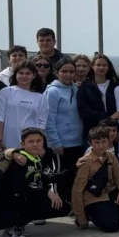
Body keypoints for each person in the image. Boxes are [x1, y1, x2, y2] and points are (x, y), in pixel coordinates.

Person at [0, 127, 71, 237]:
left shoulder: (36, 158)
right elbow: (20, 186)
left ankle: (21, 223)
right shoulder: (20, 159)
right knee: (36, 199)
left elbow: (46, 178)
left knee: (61, 206)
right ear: (22, 144)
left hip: (27, 195)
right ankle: (12, 228)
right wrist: (46, 192)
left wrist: (76, 168)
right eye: (31, 141)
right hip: (11, 199)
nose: (35, 144)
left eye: (39, 141)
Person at [70, 126, 119, 232]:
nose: (101, 145)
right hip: (94, 197)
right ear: (90, 143)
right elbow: (77, 190)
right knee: (112, 226)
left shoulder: (111, 157)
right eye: (97, 142)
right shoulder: (86, 162)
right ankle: (90, 214)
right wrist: (80, 217)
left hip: (109, 192)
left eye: (103, 141)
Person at [43, 58, 85, 201]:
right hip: (61, 144)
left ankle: (74, 204)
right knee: (62, 176)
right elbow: (49, 120)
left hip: (77, 141)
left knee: (76, 176)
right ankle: (62, 205)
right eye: (64, 71)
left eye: (71, 72)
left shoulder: (76, 88)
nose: (68, 75)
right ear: (57, 73)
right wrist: (55, 142)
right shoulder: (53, 92)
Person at [0, 62, 47, 151]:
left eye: (28, 73)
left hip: (31, 144)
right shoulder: (5, 92)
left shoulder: (41, 98)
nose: (24, 76)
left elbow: (42, 123)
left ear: (34, 76)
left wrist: (39, 145)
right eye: (21, 73)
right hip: (8, 142)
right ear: (15, 75)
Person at [77, 54, 118, 141]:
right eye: (98, 65)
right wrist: (109, 117)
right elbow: (83, 110)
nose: (101, 67)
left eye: (104, 65)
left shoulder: (115, 86)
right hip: (92, 132)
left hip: (113, 132)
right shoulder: (85, 86)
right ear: (92, 66)